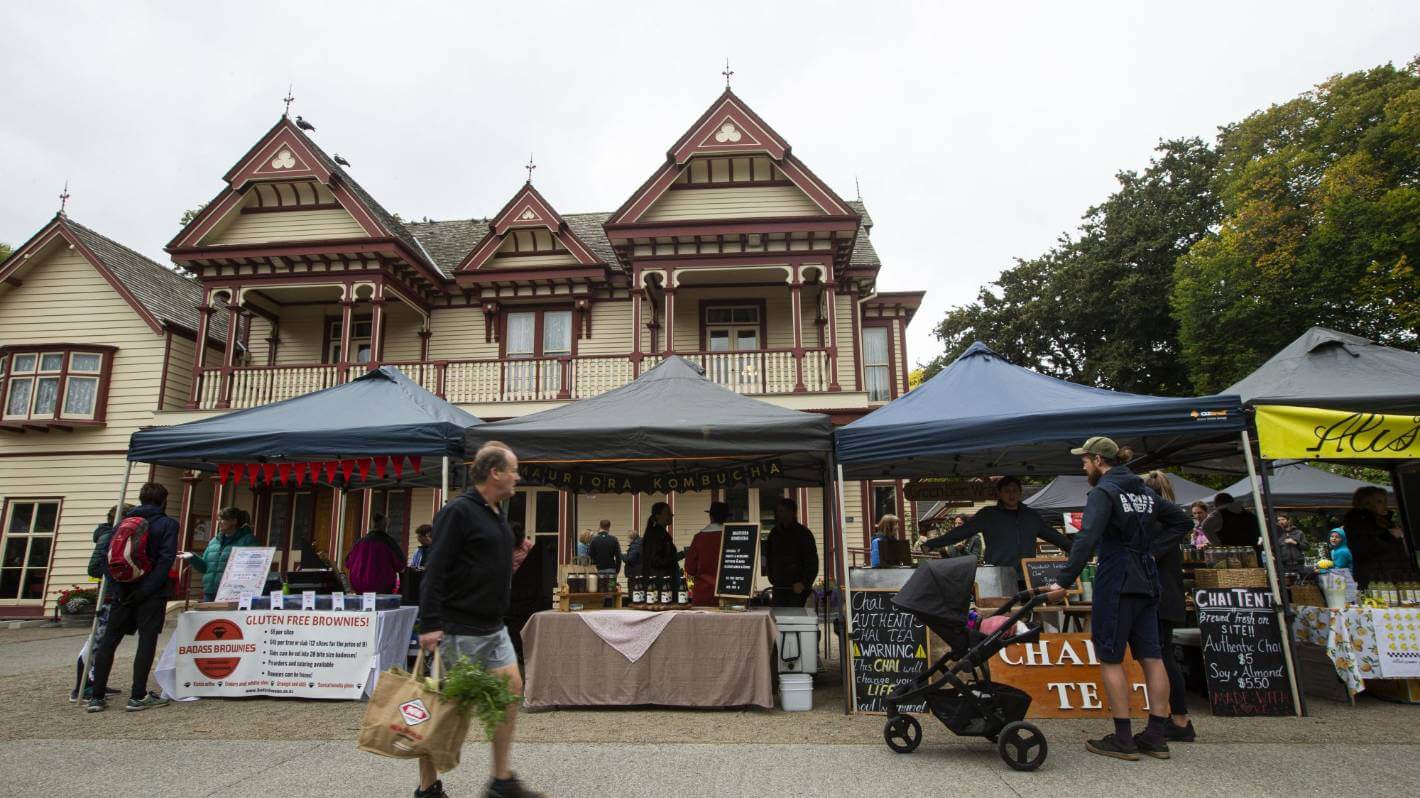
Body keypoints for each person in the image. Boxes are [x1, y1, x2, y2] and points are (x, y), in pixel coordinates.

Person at [1048, 437, 1191, 761]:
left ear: (1099, 460)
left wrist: (1064, 581)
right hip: (1148, 580)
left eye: (1085, 461)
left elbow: (1087, 537)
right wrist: (1150, 551)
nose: (1083, 467)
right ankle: (1156, 734)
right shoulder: (1145, 492)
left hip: (1117, 579)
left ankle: (1123, 738)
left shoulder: (1104, 492)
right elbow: (1183, 521)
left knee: (1111, 657)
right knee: (1152, 657)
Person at [417, 443, 542, 798]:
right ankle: (427, 788)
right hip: (458, 628)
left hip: (493, 627)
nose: (518, 476)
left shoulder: (496, 513)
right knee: (443, 710)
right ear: (495, 473)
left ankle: (500, 781)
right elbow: (435, 570)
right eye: (513, 470)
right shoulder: (458, 512)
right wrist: (430, 623)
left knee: (510, 692)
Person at [87, 483, 179, 713]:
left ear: (141, 498)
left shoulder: (123, 522)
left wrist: (118, 586)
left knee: (109, 641)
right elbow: (166, 560)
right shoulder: (167, 524)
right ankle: (137, 695)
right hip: (151, 592)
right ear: (164, 500)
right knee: (146, 641)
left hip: (123, 591)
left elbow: (106, 558)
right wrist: (146, 589)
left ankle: (96, 695)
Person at [923, 476, 1073, 582]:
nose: (1011, 494)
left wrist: (1078, 550)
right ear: (999, 494)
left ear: (1020, 493)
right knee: (999, 616)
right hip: (997, 575)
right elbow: (960, 532)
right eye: (1007, 491)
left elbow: (1055, 536)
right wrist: (932, 544)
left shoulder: (1031, 516)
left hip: (1026, 576)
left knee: (1027, 615)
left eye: (1015, 490)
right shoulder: (988, 515)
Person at [1142, 471, 1197, 743]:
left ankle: (1178, 718)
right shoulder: (1170, 524)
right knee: (1163, 655)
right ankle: (1173, 716)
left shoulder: (1156, 526)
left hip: (1159, 597)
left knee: (1161, 657)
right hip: (1169, 595)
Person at [72, 504, 130, 703]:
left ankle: (96, 680)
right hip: (107, 596)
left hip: (113, 595)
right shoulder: (108, 536)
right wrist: (117, 571)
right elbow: (94, 568)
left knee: (106, 642)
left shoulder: (114, 535)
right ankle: (81, 686)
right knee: (96, 642)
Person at [181, 506, 257, 601]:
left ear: (234, 521)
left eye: (223, 519)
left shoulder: (248, 540)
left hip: (233, 593)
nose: (219, 522)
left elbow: (254, 567)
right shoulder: (214, 541)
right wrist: (192, 557)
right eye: (218, 519)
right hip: (210, 592)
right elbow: (205, 568)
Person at [1343, 486, 1408, 589]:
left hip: (1393, 576)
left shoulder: (1385, 521)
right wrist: (1389, 536)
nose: (1385, 505)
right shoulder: (1358, 521)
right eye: (1379, 501)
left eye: (1385, 501)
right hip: (1375, 579)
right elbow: (1364, 548)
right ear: (1366, 503)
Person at [764, 497, 819, 607]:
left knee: (794, 616)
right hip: (779, 587)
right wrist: (772, 577)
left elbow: (812, 562)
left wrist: (804, 583)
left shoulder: (803, 534)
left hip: (797, 589)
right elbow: (769, 556)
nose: (778, 514)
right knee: (778, 616)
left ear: (791, 512)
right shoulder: (774, 534)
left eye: (781, 511)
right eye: (777, 511)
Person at [345, 513, 405, 594]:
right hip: (382, 588)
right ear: (385, 525)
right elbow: (401, 565)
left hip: (359, 587)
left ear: (372, 525)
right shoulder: (389, 543)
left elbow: (347, 563)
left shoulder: (359, 543)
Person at [685, 502, 728, 606]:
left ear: (710, 516)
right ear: (726, 518)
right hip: (729, 592)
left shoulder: (699, 538)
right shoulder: (732, 537)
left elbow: (690, 568)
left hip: (703, 593)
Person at [641, 502, 678, 579]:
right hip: (660, 581)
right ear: (658, 516)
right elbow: (656, 561)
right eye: (668, 513)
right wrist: (680, 555)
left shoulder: (660, 534)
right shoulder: (657, 535)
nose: (671, 515)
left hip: (661, 579)